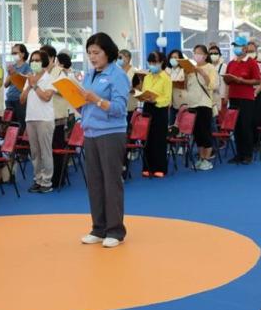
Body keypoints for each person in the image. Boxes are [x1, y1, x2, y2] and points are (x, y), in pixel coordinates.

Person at [77, 33, 130, 248]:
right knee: (95, 183)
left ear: (108, 52)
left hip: (111, 133)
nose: (92, 57)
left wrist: (96, 100)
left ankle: (115, 230)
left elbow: (118, 108)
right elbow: (85, 104)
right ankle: (98, 228)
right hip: (90, 132)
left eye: (96, 53)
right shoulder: (89, 75)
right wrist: (78, 100)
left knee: (111, 181)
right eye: (89, 52)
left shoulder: (117, 75)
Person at [21, 49, 55, 193]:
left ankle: (47, 182)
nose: (34, 63)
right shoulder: (30, 78)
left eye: (37, 60)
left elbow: (47, 97)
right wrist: (29, 85)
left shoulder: (49, 78)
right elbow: (22, 100)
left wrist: (35, 85)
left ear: (44, 62)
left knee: (45, 152)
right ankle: (38, 179)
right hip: (31, 118)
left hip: (44, 119)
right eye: (32, 60)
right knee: (35, 152)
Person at [223, 36, 261, 165]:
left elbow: (257, 80)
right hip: (234, 97)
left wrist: (242, 81)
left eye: (238, 46)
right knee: (237, 127)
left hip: (246, 98)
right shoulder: (231, 63)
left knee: (245, 126)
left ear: (245, 48)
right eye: (235, 46)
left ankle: (247, 154)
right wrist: (228, 79)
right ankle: (239, 154)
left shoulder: (252, 63)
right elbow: (226, 80)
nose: (236, 49)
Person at [185, 44, 219, 171]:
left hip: (204, 104)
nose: (196, 55)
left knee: (205, 132)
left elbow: (213, 85)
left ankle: (207, 158)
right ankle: (200, 157)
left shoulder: (210, 67)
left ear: (205, 55)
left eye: (199, 53)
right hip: (192, 104)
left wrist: (202, 73)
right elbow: (187, 86)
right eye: (194, 52)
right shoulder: (191, 68)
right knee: (197, 133)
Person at [41, 45, 69, 187]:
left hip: (57, 115)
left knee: (56, 147)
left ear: (52, 58)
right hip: (43, 115)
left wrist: (51, 88)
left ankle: (58, 178)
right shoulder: (41, 71)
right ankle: (46, 178)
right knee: (45, 150)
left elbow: (64, 90)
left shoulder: (59, 72)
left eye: (44, 56)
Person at [140, 50, 171, 177]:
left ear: (161, 62)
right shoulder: (147, 77)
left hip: (160, 109)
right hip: (147, 107)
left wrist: (156, 99)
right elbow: (144, 91)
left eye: (155, 62)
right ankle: (147, 166)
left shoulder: (166, 78)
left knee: (158, 138)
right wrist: (142, 97)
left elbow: (167, 98)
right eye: (150, 62)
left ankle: (160, 167)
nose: (152, 65)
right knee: (147, 138)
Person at [4, 43, 31, 131]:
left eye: (15, 53)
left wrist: (15, 74)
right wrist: (10, 74)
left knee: (21, 124)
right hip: (10, 98)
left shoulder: (27, 67)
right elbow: (6, 84)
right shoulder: (13, 67)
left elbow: (26, 83)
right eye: (12, 53)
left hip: (20, 99)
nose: (14, 55)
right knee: (11, 125)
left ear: (23, 54)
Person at [168, 48, 187, 125]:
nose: (173, 59)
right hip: (171, 101)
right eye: (171, 57)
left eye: (175, 57)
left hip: (183, 100)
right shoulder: (167, 70)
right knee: (171, 123)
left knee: (183, 123)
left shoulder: (184, 70)